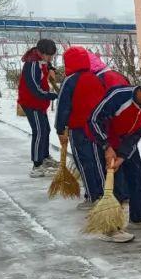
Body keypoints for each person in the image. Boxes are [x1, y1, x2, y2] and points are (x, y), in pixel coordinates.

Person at [89, 73, 141, 243]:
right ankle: (110, 228)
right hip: (103, 142)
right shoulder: (119, 96)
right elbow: (94, 119)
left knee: (138, 179)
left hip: (126, 142)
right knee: (115, 185)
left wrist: (123, 155)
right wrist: (106, 147)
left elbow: (137, 132)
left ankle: (138, 218)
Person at [55, 46, 102, 206]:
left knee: (84, 161)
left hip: (79, 129)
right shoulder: (95, 78)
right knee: (96, 160)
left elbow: (63, 106)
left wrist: (60, 129)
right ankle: (102, 192)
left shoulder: (70, 81)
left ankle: (92, 196)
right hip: (97, 128)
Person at [18, 38, 58, 177]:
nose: (50, 58)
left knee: (45, 129)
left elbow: (47, 65)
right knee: (39, 131)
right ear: (41, 53)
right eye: (49, 55)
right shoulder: (32, 65)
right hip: (31, 103)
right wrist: (52, 95)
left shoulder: (41, 60)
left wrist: (51, 68)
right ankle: (36, 165)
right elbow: (35, 89)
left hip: (40, 103)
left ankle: (45, 157)